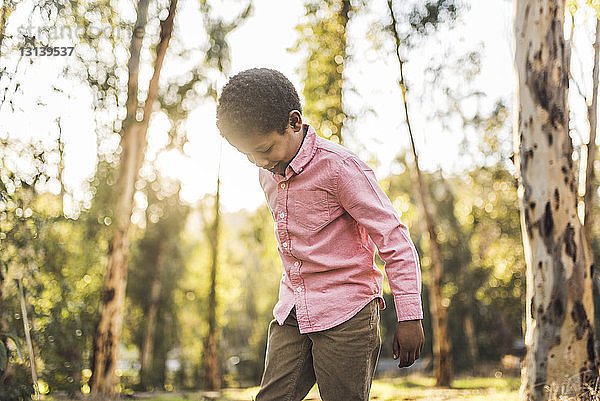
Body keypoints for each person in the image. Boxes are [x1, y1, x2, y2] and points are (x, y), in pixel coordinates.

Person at [216, 68, 424, 401]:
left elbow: (394, 238)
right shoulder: (267, 172)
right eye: (248, 155)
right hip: (293, 311)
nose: (259, 161)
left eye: (265, 149)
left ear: (294, 122)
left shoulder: (340, 167)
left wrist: (410, 316)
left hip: (348, 314)